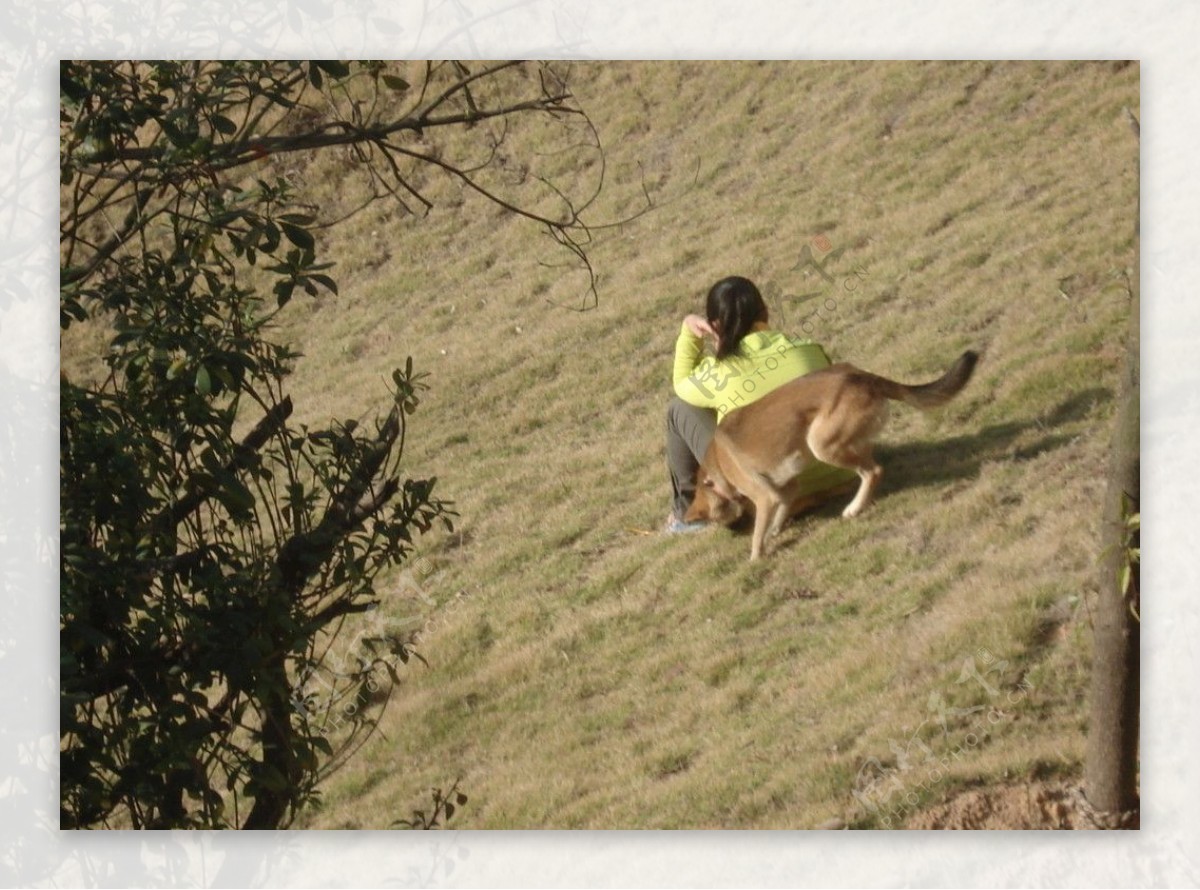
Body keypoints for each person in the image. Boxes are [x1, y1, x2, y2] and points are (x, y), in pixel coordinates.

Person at [665, 275, 857, 532]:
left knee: (680, 409)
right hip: (841, 473)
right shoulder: (808, 349)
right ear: (765, 312)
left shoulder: (718, 374)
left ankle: (685, 515)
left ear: (715, 327)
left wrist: (689, 331)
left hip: (770, 495)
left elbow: (682, 383)